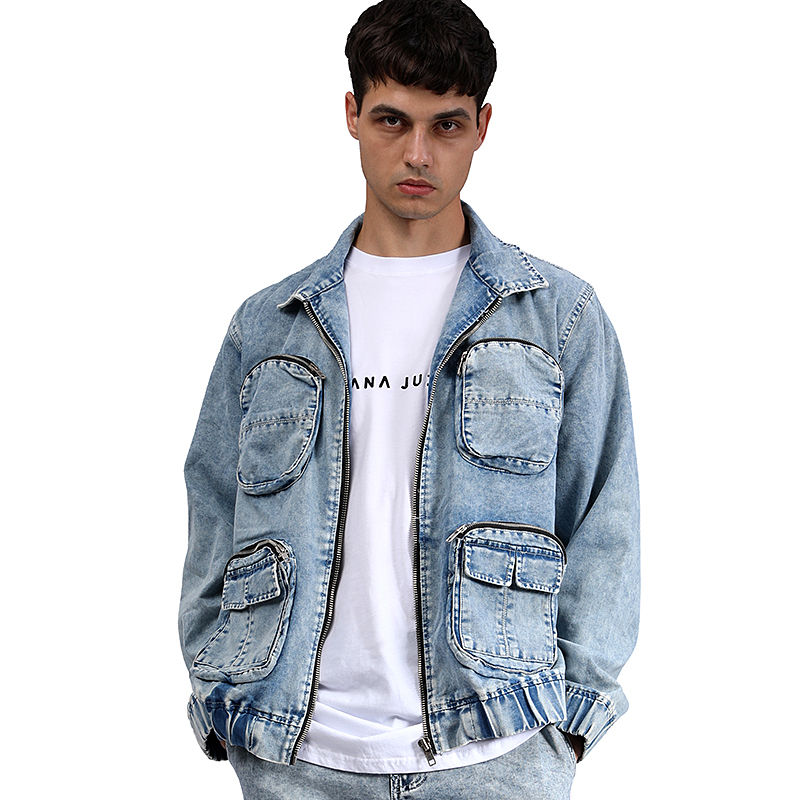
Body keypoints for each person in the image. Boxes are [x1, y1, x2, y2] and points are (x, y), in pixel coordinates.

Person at [178, 1, 640, 797]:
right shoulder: (270, 324)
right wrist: (221, 695)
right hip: (298, 761)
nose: (418, 153)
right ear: (351, 114)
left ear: (483, 126)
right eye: (392, 120)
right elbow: (214, 513)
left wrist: (569, 722)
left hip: (498, 753)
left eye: (447, 125)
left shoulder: (559, 317)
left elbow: (606, 521)